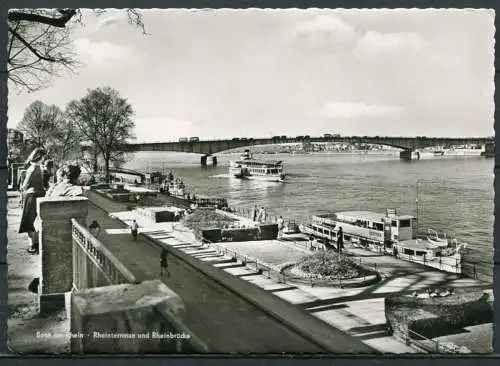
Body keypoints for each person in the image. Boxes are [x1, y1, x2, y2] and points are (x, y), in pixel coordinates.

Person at [19, 148, 46, 254]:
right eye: (43, 156)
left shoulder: (33, 168)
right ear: (39, 157)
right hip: (39, 194)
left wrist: (22, 189)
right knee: (36, 220)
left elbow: (25, 185)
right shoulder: (39, 168)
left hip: (31, 196)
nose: (44, 158)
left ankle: (32, 245)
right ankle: (36, 243)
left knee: (29, 221)